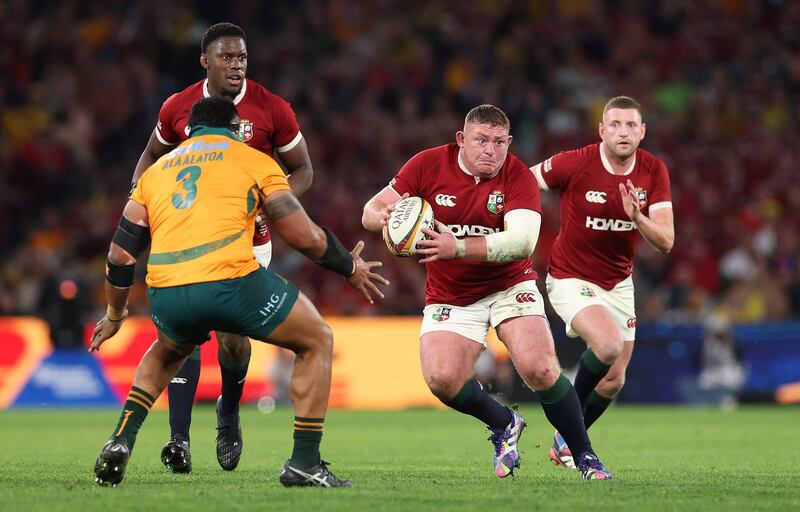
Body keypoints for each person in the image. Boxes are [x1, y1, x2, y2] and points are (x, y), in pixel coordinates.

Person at [91, 97, 387, 488]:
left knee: (168, 350)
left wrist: (115, 314)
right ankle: (304, 462)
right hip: (229, 281)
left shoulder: (155, 172)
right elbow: (304, 237)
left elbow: (119, 254)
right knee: (317, 339)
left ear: (191, 130)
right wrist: (349, 266)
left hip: (166, 289)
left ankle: (121, 439)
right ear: (235, 127)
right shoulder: (253, 160)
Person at [362, 104, 612, 480]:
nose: (490, 150)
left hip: (509, 285)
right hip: (451, 293)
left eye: (498, 142)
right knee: (442, 381)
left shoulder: (518, 177)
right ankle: (504, 422)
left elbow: (522, 242)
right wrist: (382, 216)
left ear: (509, 143)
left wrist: (457, 247)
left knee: (541, 369)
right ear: (461, 140)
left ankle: (585, 456)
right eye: (481, 140)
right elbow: (371, 208)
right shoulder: (427, 165)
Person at [132, 22, 315, 474]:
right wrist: (141, 202)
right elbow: (149, 160)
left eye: (242, 58)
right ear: (205, 62)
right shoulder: (178, 107)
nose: (236, 65)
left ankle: (228, 411)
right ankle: (178, 439)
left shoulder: (272, 109)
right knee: (182, 333)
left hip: (250, 241)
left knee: (234, 342)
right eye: (227, 58)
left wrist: (272, 205)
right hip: (189, 235)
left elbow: (303, 169)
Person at [530, 96, 674, 468]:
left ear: (642, 132)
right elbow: (523, 183)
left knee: (613, 381)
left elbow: (667, 241)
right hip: (569, 276)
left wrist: (638, 218)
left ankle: (564, 439)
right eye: (615, 125)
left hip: (618, 283)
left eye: (630, 125)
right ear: (602, 130)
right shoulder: (575, 162)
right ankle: (575, 439)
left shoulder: (653, 171)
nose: (623, 132)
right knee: (608, 345)